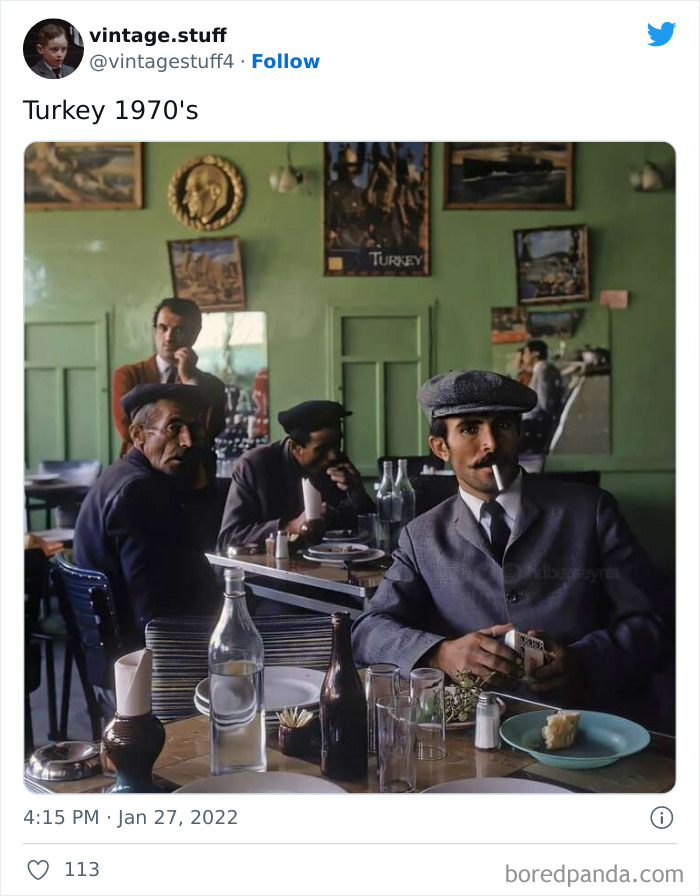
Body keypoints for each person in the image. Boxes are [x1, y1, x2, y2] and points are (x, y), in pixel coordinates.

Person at [351, 369, 671, 719]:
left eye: (502, 425)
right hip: (469, 732)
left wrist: (582, 661)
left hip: (581, 724)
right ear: (440, 447)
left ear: (517, 434)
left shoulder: (591, 512)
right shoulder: (421, 535)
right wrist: (439, 654)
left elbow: (650, 624)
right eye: (470, 428)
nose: (490, 444)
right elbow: (368, 630)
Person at [74, 384, 221, 648]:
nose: (188, 441)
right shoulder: (140, 492)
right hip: (141, 662)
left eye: (192, 428)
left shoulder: (121, 474)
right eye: (174, 427)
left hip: (108, 651)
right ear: (138, 434)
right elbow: (153, 615)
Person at [218, 400, 375, 549]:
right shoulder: (254, 466)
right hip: (267, 572)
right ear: (295, 447)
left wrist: (357, 493)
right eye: (322, 449)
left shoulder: (336, 463)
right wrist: (291, 527)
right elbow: (228, 539)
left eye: (336, 444)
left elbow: (368, 529)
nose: (333, 455)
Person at [112, 298, 226, 457]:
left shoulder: (213, 386)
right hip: (140, 472)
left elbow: (206, 433)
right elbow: (127, 429)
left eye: (179, 330)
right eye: (162, 328)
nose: (168, 337)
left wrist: (189, 382)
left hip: (191, 476)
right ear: (155, 330)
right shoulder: (129, 375)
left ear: (195, 334)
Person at [520, 339, 563, 452]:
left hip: (536, 425)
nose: (523, 356)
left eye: (525, 352)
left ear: (535, 354)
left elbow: (546, 403)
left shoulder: (545, 371)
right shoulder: (540, 370)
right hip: (533, 423)